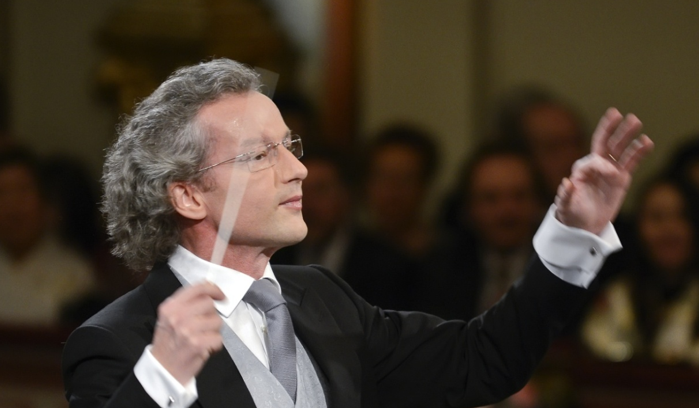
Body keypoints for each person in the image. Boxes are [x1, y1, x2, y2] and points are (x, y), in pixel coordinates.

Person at [61, 58, 653, 408]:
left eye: (290, 145)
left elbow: (483, 359)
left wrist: (574, 234)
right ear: (188, 195)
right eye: (260, 155)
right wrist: (162, 377)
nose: (298, 170)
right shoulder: (116, 342)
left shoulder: (323, 298)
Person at [271, 148, 417, 310]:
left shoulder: (386, 264)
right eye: (300, 190)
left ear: (346, 195)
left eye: (321, 190)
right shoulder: (273, 258)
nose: (308, 204)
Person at [419, 144, 546, 320]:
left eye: (519, 196)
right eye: (490, 198)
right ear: (468, 208)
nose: (506, 211)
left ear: (538, 203)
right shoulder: (439, 272)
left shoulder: (566, 271)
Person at [581, 177, 699, 364]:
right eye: (656, 218)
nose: (669, 230)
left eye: (681, 216)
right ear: (637, 227)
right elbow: (597, 353)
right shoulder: (617, 297)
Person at [0, 147, 95, 326]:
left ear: (44, 200)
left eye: (22, 191)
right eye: (3, 193)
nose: (13, 207)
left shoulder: (75, 273)